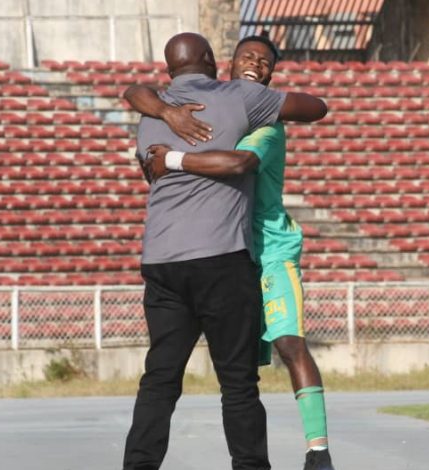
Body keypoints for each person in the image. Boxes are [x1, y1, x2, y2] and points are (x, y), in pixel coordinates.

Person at [121, 32, 327, 470]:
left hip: (161, 260)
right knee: (237, 383)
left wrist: (166, 121)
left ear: (170, 68)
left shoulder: (148, 115)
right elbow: (316, 108)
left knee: (159, 378)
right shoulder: (241, 97)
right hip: (221, 257)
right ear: (216, 61)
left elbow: (145, 152)